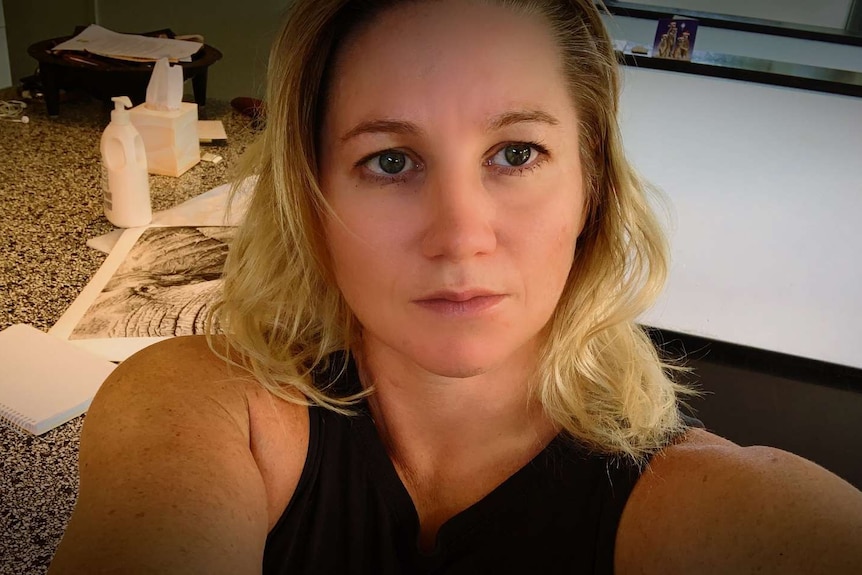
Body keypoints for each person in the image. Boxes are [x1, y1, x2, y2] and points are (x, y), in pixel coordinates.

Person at [49, 0, 862, 573]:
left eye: (516, 153)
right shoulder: (200, 410)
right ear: (312, 202)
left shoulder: (729, 510)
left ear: (593, 191)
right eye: (390, 161)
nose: (461, 235)